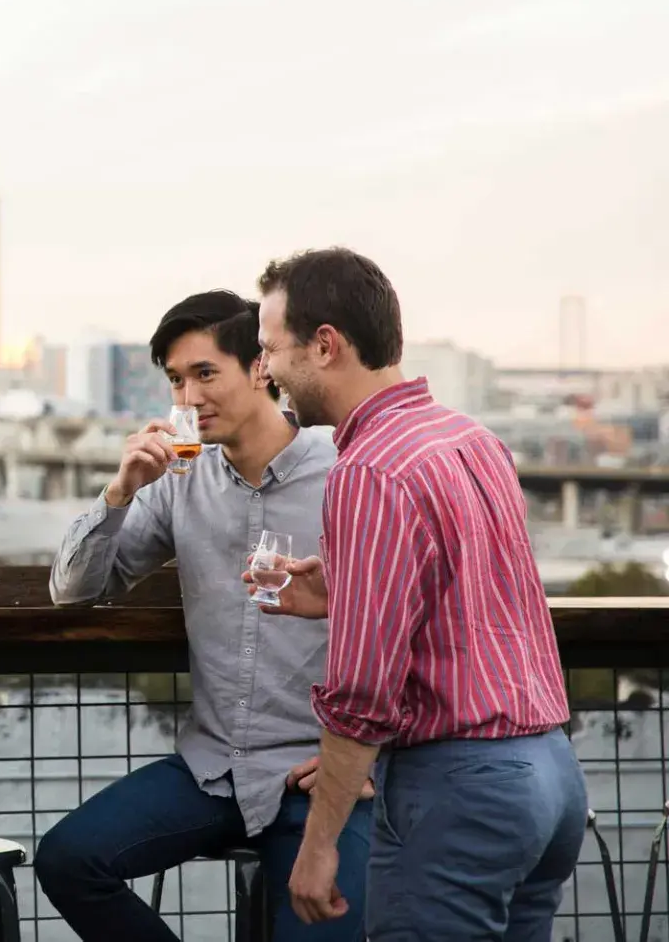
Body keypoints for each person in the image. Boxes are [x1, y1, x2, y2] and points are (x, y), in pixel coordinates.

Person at [253, 247, 583, 940]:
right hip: (551, 773)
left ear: (324, 345)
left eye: (270, 349)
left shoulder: (369, 469)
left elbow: (362, 692)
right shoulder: (469, 438)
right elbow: (472, 601)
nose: (266, 372)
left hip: (460, 790)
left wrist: (319, 848)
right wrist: (345, 592)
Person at [35, 289, 373, 942]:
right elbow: (71, 590)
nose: (188, 398)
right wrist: (120, 490)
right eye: (176, 381)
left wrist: (372, 763)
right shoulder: (180, 480)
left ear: (261, 370)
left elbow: (416, 627)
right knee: (69, 859)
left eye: (205, 374)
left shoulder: (345, 478)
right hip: (212, 770)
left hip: (318, 780)